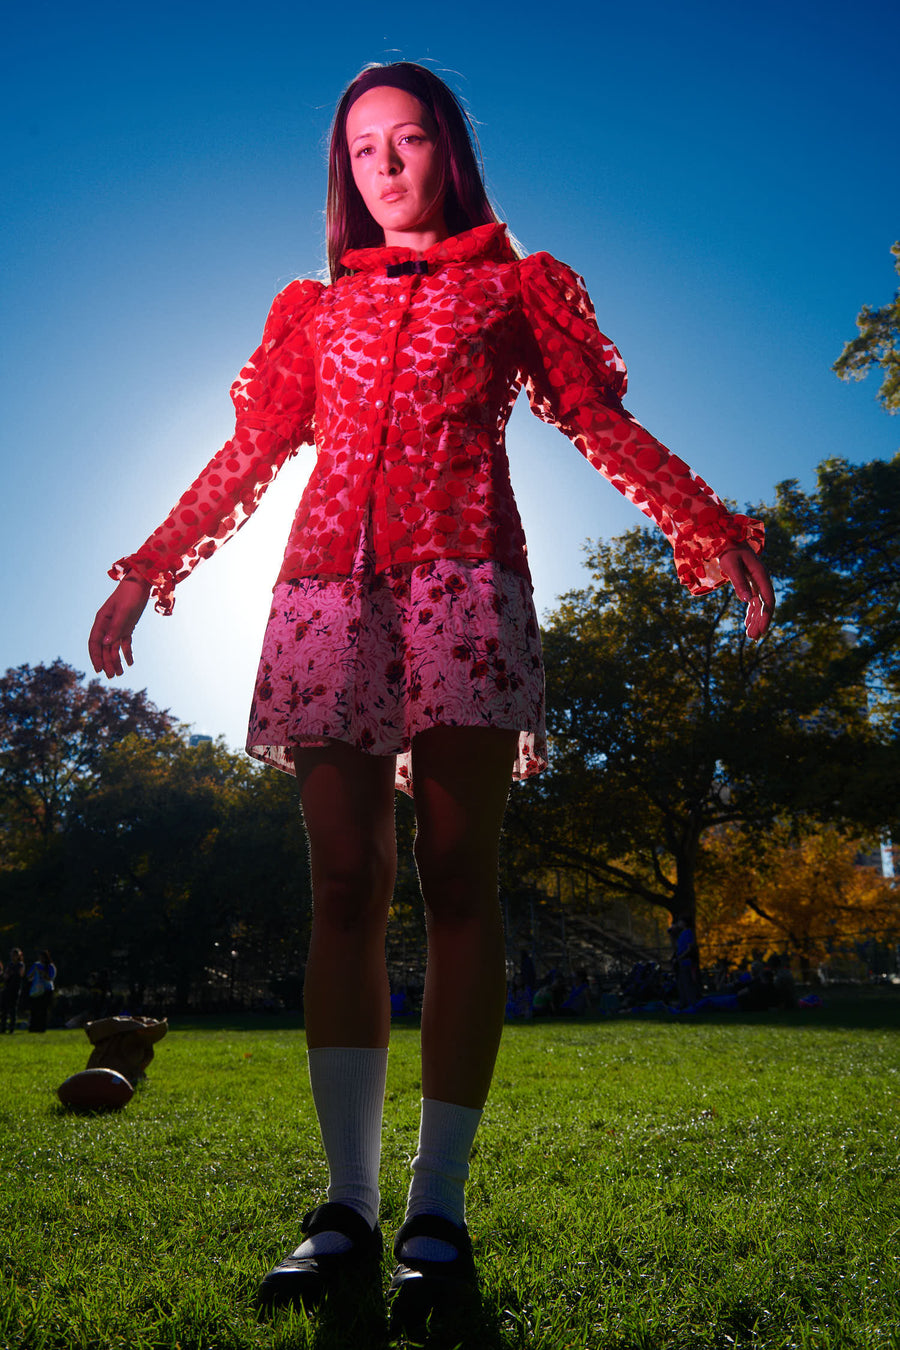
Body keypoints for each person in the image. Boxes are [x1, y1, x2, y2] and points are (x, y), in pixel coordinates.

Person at [88, 61, 775, 1331]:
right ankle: (346, 1208)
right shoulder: (310, 311)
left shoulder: (519, 287)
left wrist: (705, 520)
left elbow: (597, 420)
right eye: (364, 151)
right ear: (343, 174)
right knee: (343, 886)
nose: (388, 166)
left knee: (459, 885)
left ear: (451, 150)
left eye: (410, 141)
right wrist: (146, 571)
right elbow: (249, 450)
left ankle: (436, 1215)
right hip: (323, 598)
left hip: (466, 585)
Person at [26, 950, 56, 1033]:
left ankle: (41, 1028)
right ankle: (33, 1028)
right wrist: (34, 971)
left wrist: (42, 972)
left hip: (46, 990)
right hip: (36, 990)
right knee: (34, 1010)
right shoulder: (36, 965)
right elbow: (29, 977)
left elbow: (50, 978)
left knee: (43, 1010)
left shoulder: (50, 966)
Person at [1, 947, 25, 1032]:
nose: (13, 957)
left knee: (12, 1009)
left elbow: (21, 974)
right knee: (4, 1009)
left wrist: (11, 974)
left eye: (15, 955)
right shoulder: (9, 965)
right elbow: (5, 976)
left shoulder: (20, 965)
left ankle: (11, 1028)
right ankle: (3, 1027)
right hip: (7, 988)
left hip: (15, 989)